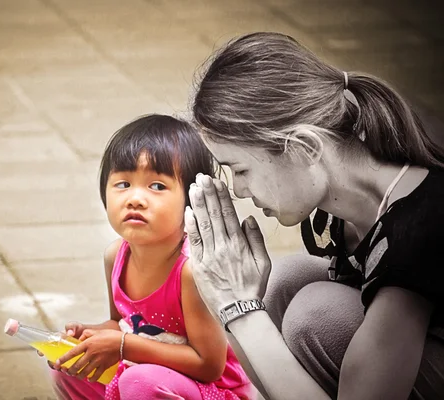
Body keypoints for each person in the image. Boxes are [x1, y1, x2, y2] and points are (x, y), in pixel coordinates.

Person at [184, 32, 444, 400]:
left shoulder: (419, 228)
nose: (239, 190)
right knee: (285, 283)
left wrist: (238, 309)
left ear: (304, 148)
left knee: (316, 313)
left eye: (241, 170)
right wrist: (230, 304)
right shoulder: (337, 209)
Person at [47, 114, 255, 400]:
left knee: (139, 382)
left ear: (191, 198)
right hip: (150, 372)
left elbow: (209, 365)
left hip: (213, 391)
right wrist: (89, 336)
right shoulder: (115, 256)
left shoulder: (191, 271)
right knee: (68, 366)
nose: (135, 198)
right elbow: (124, 324)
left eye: (157, 186)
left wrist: (122, 346)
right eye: (123, 184)